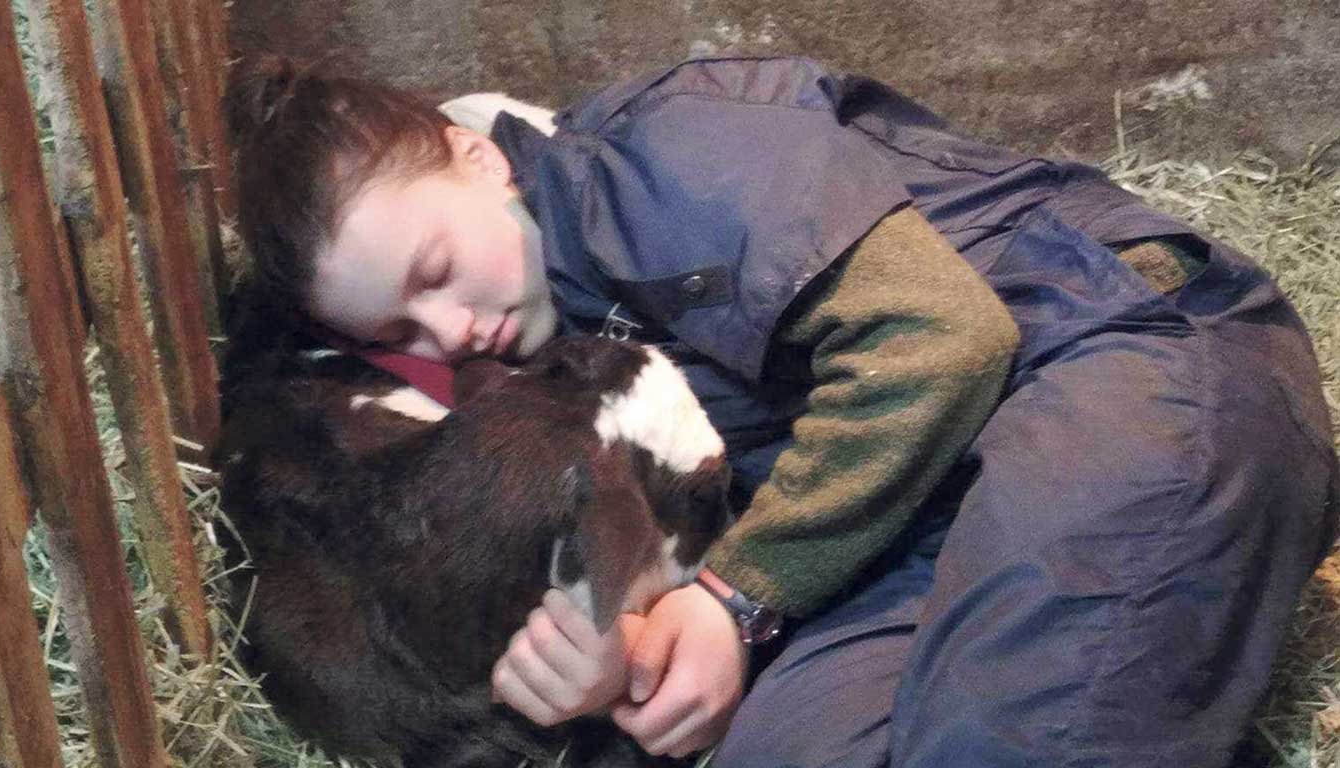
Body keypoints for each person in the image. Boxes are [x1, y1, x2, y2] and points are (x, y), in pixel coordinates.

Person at [225, 54, 1339, 768]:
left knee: (1003, 740)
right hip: (928, 514)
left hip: (1116, 366)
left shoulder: (658, 154)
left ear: (472, 155)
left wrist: (734, 603)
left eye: (431, 269)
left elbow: (938, 344)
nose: (447, 332)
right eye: (400, 334)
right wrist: (637, 647)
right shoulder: (557, 346)